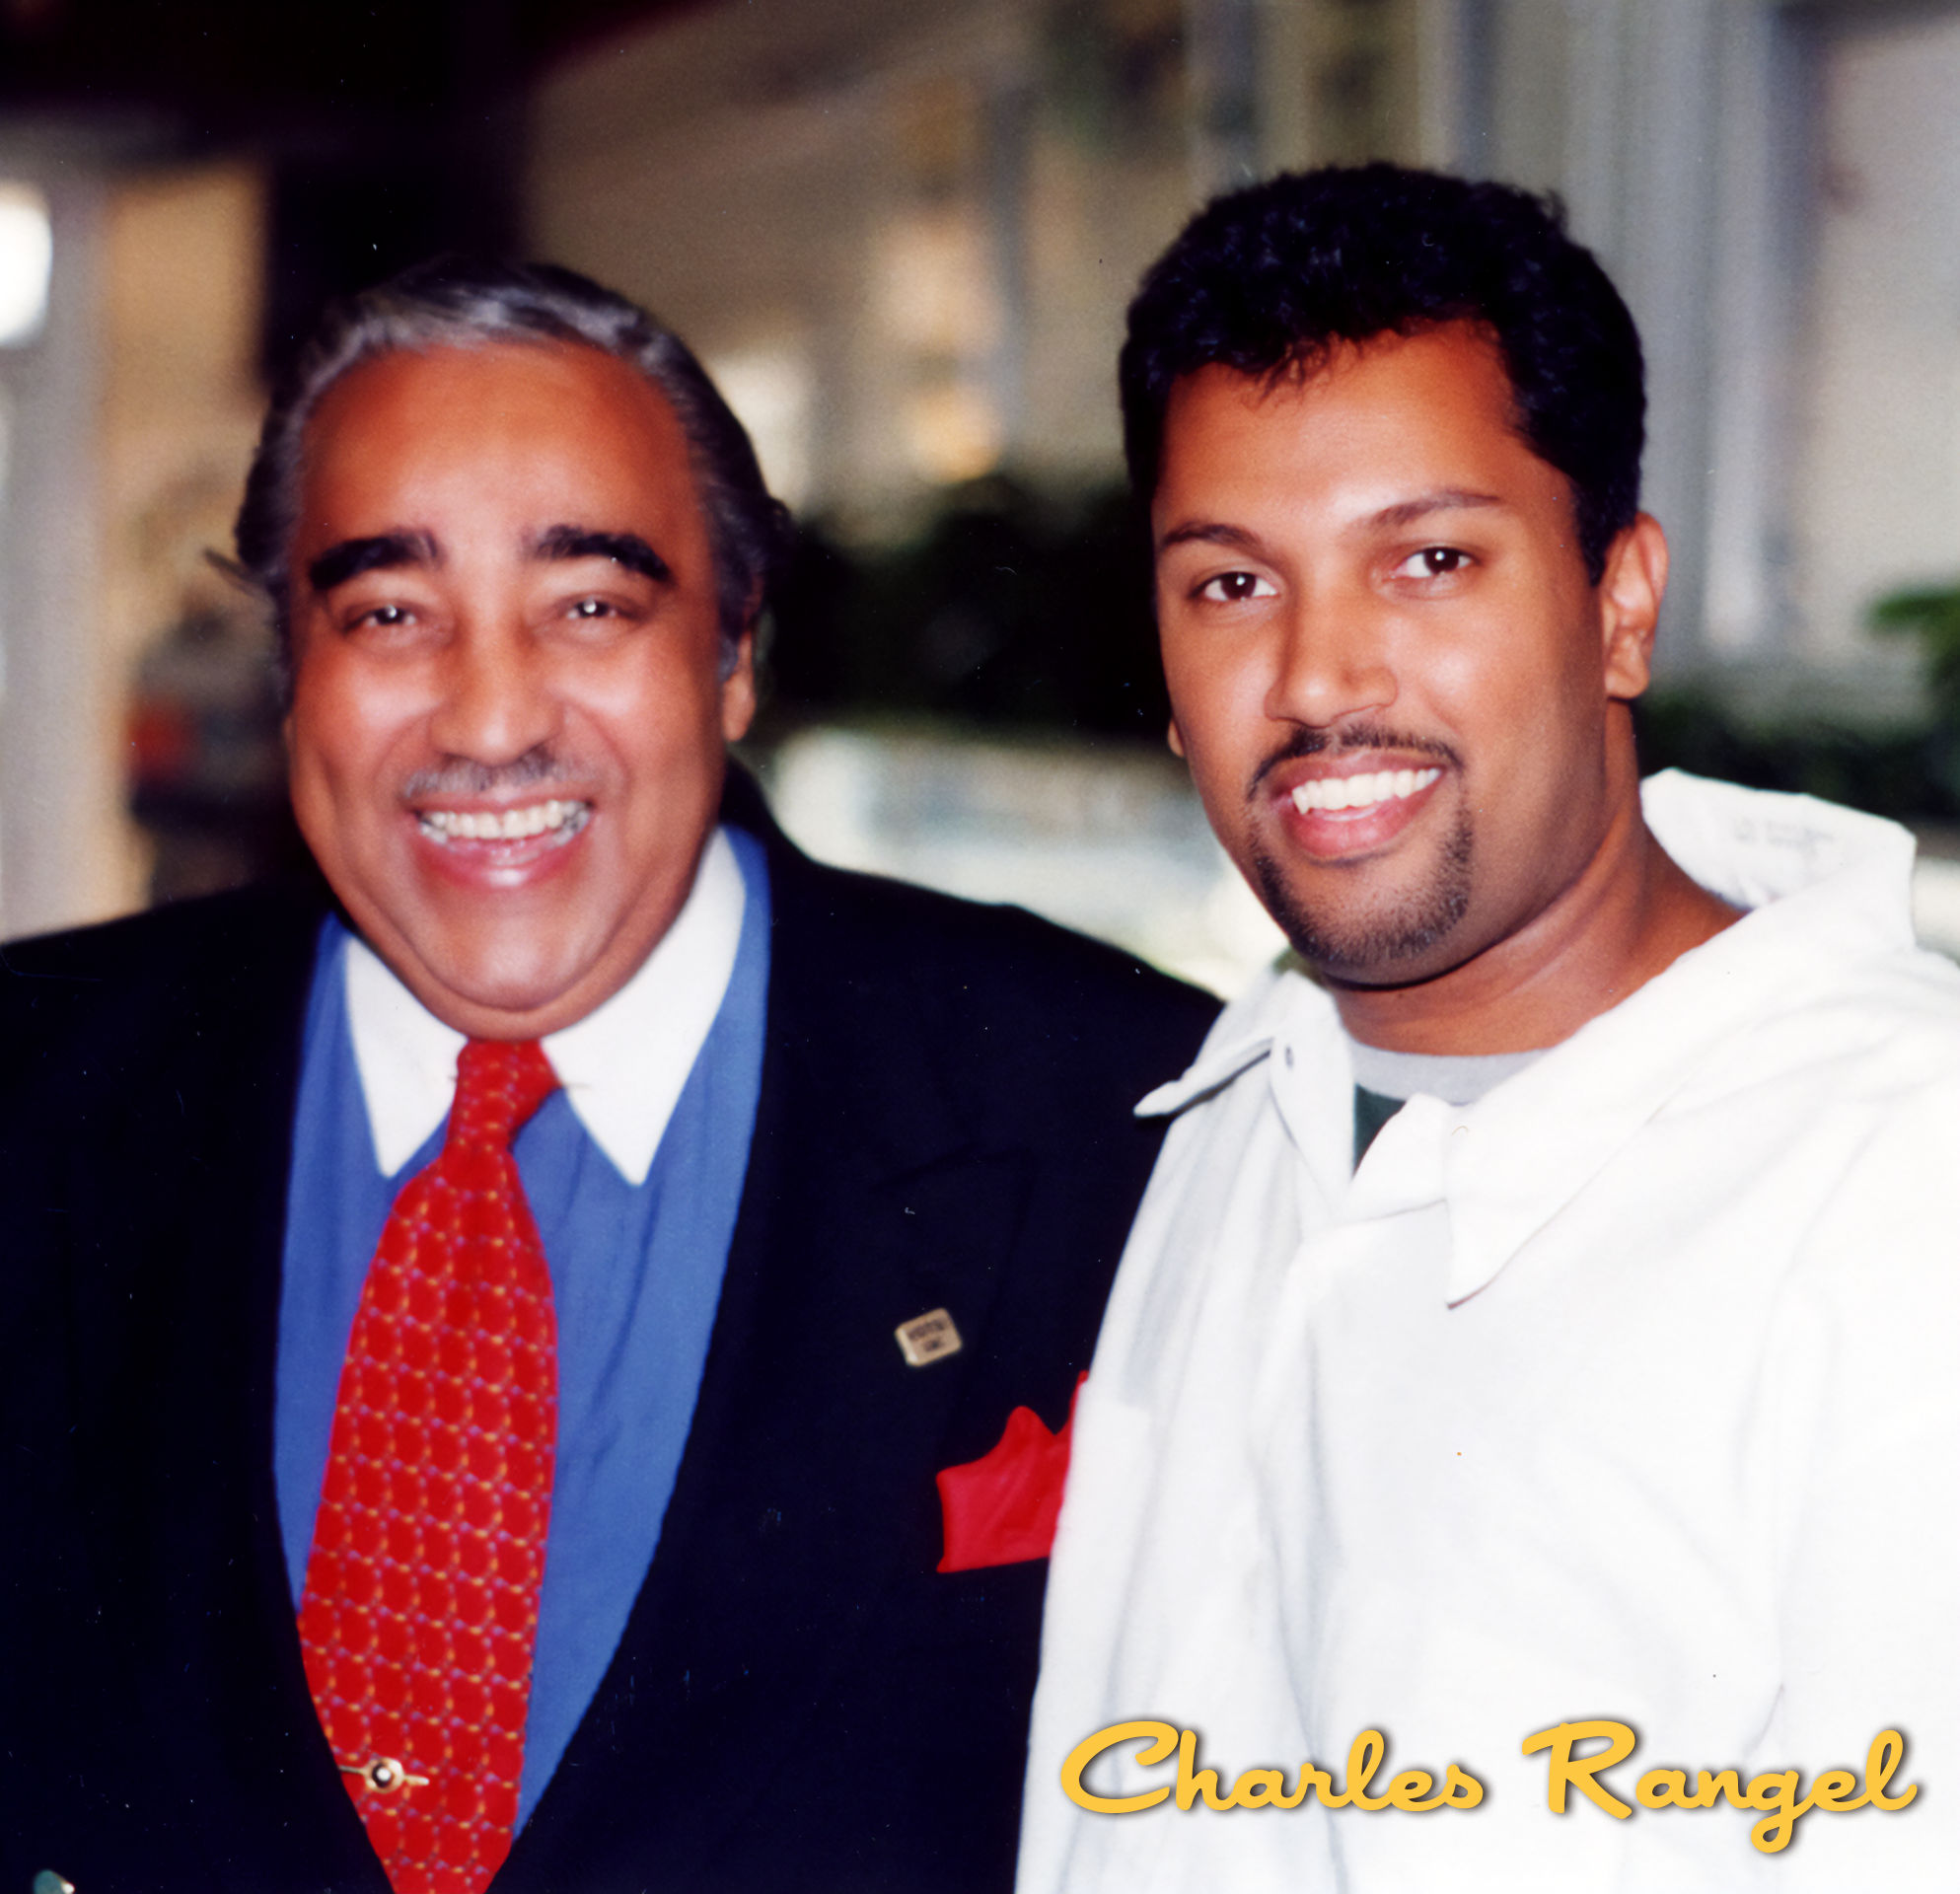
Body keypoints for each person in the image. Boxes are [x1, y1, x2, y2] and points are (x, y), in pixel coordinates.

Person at [0, 257, 1217, 1894]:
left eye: (589, 605)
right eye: (386, 613)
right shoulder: (34, 1093)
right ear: (288, 669)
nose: (490, 717)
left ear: (731, 656)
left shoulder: (1116, 1109)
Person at [1019, 165, 1960, 1893]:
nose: (1318, 679)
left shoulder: (1904, 1183)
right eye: (1230, 585)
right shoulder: (1239, 1111)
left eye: (1429, 560)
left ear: (1618, 600)